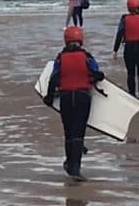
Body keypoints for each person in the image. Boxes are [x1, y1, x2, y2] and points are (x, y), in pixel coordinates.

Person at [41, 24, 104, 180]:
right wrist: (93, 78)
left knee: (69, 133)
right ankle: (75, 169)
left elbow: (54, 79)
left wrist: (49, 97)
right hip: (83, 97)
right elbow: (98, 74)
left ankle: (70, 164)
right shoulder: (87, 57)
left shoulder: (60, 58)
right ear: (80, 40)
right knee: (78, 133)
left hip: (66, 98)